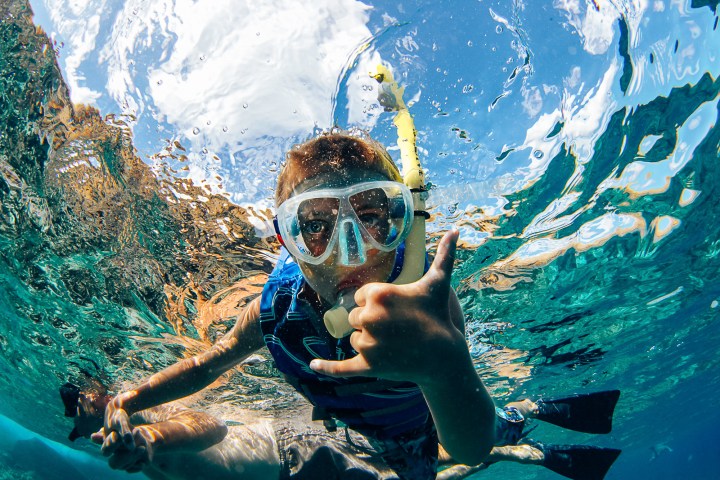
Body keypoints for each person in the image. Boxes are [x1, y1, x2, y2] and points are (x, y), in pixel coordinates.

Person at [62, 382, 621, 480]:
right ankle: (519, 450)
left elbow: (208, 425)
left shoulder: (139, 425)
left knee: (416, 456)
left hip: (295, 455)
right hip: (294, 470)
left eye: (78, 406)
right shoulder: (123, 442)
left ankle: (521, 420)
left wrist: (152, 440)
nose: (77, 421)